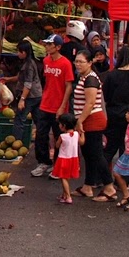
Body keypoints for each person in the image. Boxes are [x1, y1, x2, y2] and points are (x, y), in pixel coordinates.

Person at [70, 51, 116, 201]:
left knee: (96, 155)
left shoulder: (90, 79)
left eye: (81, 62)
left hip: (92, 120)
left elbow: (90, 104)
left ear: (90, 63)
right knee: (89, 155)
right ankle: (88, 186)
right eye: (76, 61)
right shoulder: (84, 77)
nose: (78, 64)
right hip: (86, 120)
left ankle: (109, 187)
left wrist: (79, 121)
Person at [31, 34, 75, 178]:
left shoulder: (66, 64)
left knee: (58, 137)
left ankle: (57, 164)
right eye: (47, 44)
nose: (47, 47)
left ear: (58, 47)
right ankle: (43, 162)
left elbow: (68, 86)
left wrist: (62, 106)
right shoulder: (46, 61)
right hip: (45, 104)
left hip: (59, 107)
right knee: (41, 135)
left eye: (50, 45)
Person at [13, 40, 43, 148]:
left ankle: (16, 144)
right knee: (38, 121)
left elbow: (28, 84)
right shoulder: (29, 62)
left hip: (31, 96)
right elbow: (20, 78)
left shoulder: (29, 65)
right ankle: (41, 144)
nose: (18, 53)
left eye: (19, 51)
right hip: (37, 95)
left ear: (24, 52)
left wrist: (22, 99)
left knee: (19, 119)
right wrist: (7, 79)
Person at [52, 113, 80, 205]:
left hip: (63, 159)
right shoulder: (76, 134)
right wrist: (82, 133)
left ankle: (68, 196)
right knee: (66, 178)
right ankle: (64, 194)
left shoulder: (62, 136)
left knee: (63, 178)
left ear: (63, 126)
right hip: (73, 158)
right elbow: (82, 142)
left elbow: (57, 145)